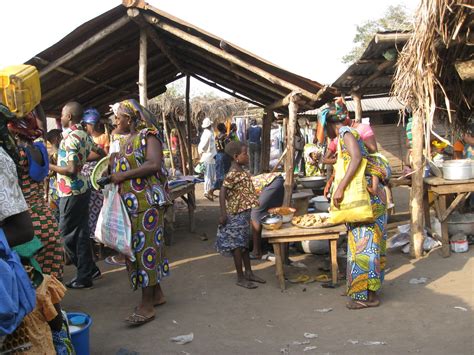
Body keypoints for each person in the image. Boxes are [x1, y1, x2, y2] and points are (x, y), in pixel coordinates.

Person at [322, 99, 388, 310]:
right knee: (366, 247)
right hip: (370, 200)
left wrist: (340, 187)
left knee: (363, 248)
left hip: (367, 201)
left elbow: (357, 157)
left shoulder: (345, 134)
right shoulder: (352, 133)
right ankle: (363, 290)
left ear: (328, 124)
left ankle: (365, 297)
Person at [109, 99, 170, 326]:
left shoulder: (149, 135)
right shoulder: (125, 141)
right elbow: (119, 168)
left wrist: (123, 176)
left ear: (130, 118)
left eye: (119, 117)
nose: (116, 121)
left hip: (147, 203)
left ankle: (147, 306)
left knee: (146, 249)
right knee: (139, 248)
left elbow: (153, 164)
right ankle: (158, 294)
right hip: (131, 204)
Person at [49, 102, 105, 289]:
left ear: (70, 117)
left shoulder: (71, 138)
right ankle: (89, 271)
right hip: (83, 189)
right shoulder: (83, 134)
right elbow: (100, 153)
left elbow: (71, 170)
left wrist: (50, 167)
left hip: (70, 191)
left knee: (65, 234)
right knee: (80, 232)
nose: (61, 117)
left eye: (63, 115)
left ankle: (85, 273)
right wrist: (81, 160)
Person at [7, 109, 64, 280]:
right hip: (46, 220)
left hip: (24, 226)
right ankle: (56, 308)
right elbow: (42, 125)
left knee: (32, 281)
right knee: (52, 278)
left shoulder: (15, 155)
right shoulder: (39, 148)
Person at [216, 141, 265, 289]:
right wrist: (223, 214)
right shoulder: (233, 174)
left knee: (243, 245)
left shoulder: (241, 171)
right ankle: (240, 277)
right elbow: (222, 193)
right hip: (235, 216)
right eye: (245, 154)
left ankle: (249, 272)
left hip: (243, 215)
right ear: (236, 156)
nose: (248, 156)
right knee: (237, 247)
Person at [82, 108, 109, 242]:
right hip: (87, 180)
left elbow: (104, 155)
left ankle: (101, 238)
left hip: (98, 177)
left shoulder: (103, 137)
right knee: (90, 211)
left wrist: (83, 157)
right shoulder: (85, 138)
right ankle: (94, 238)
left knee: (100, 210)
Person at [250, 173, 285, 259]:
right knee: (271, 211)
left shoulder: (240, 188)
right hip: (277, 181)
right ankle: (272, 246)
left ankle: (256, 251)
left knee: (255, 212)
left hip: (274, 181)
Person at [198, 117, 217, 201]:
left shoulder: (209, 132)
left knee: (211, 176)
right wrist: (201, 152)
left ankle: (210, 192)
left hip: (211, 156)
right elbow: (202, 146)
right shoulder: (207, 134)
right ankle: (207, 191)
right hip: (208, 157)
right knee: (208, 176)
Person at [46, 129, 62, 221]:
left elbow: (46, 178)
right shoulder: (60, 154)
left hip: (52, 192)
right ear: (57, 139)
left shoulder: (47, 155)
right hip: (62, 190)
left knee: (56, 217)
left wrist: (46, 193)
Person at [212, 123, 231, 196]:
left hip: (218, 155)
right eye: (225, 127)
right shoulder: (225, 137)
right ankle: (215, 189)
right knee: (224, 175)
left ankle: (219, 191)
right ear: (223, 128)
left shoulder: (217, 136)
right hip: (224, 156)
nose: (226, 128)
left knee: (219, 174)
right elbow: (228, 147)